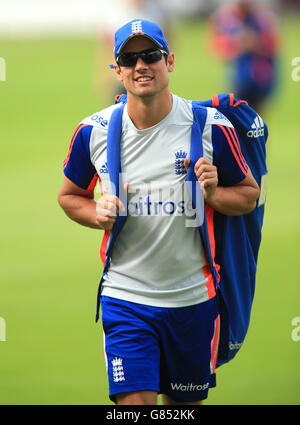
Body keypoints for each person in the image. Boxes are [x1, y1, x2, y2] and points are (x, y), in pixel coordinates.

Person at [58, 19, 259, 405]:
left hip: (192, 302)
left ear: (170, 61)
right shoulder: (94, 131)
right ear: (116, 70)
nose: (140, 66)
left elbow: (248, 195)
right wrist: (96, 212)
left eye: (150, 55)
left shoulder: (210, 127)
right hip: (125, 299)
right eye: (129, 59)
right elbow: (69, 196)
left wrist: (215, 194)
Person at [206, 0, 281, 113]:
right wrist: (236, 44)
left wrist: (256, 43)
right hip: (238, 73)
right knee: (237, 112)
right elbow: (216, 44)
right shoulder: (226, 16)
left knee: (256, 115)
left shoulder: (264, 17)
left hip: (260, 74)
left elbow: (274, 45)